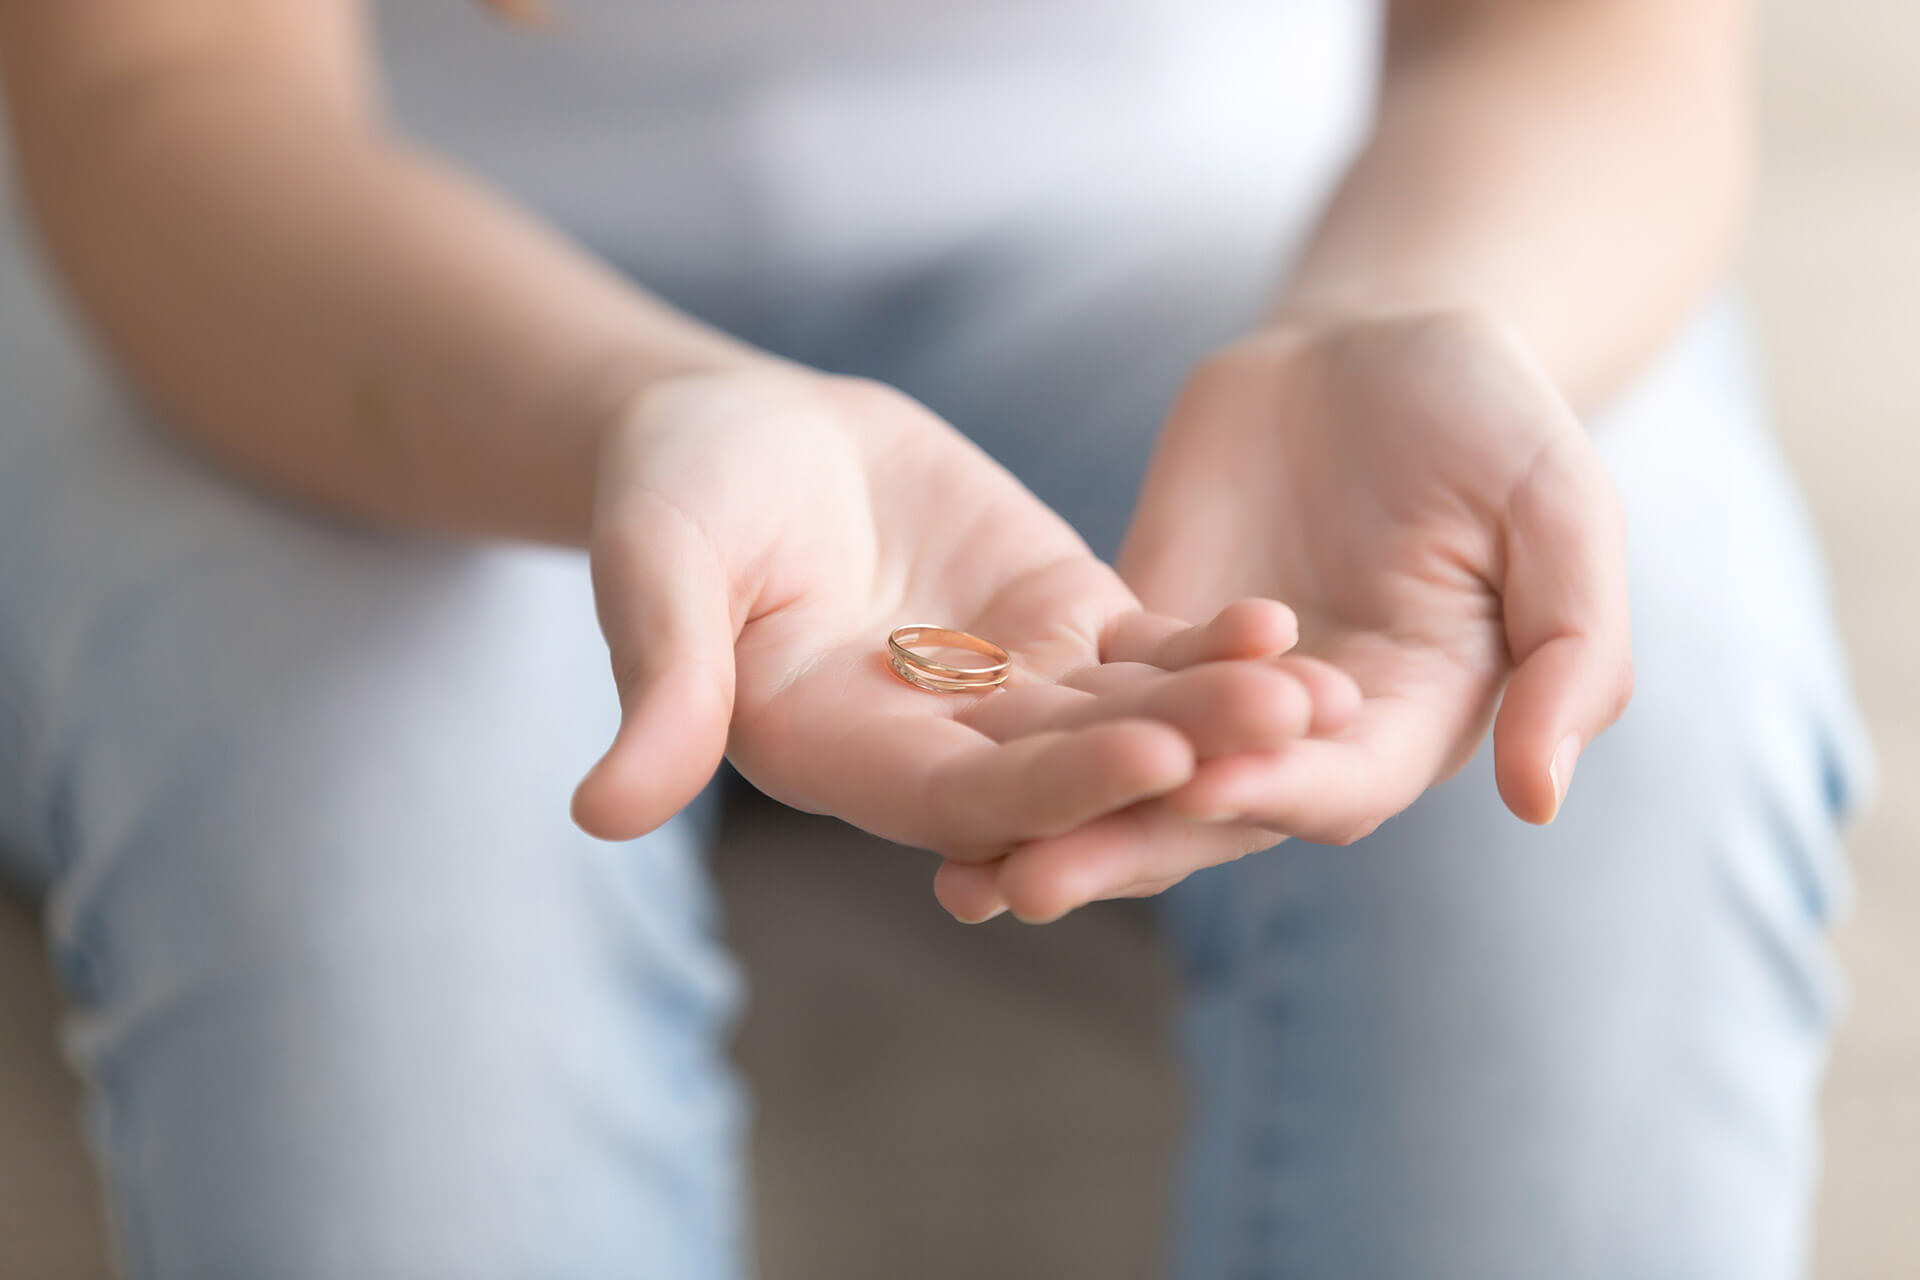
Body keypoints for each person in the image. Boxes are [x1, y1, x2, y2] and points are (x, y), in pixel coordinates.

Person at [0, 0, 1870, 1276]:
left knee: (1643, 717)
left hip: (1223, 196)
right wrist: (627, 412)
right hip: (320, 246)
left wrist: (1406, 310)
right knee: (367, 822)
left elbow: (1590, 39)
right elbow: (163, 88)